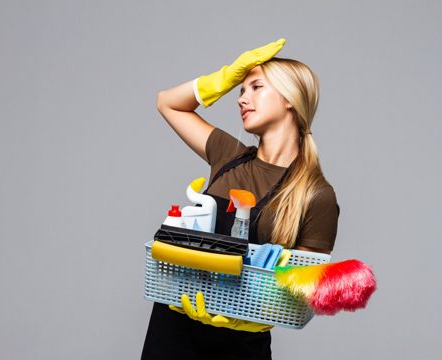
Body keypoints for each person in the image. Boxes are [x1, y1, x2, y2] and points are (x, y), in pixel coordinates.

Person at [141, 38, 339, 360]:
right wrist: (224, 77)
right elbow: (168, 102)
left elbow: (304, 295)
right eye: (240, 90)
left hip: (239, 347)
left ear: (290, 98)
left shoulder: (315, 195)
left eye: (255, 87)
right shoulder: (228, 154)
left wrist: (246, 315)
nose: (242, 98)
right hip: (173, 330)